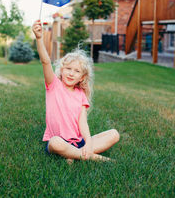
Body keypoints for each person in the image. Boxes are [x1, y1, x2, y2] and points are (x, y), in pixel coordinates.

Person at [32, 19, 120, 162]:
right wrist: (39, 38)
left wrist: (89, 142)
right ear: (61, 69)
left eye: (76, 71)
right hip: (59, 141)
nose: (71, 73)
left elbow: (82, 123)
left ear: (82, 77)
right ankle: (90, 156)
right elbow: (46, 61)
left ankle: (74, 154)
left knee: (114, 134)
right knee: (55, 142)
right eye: (68, 69)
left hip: (78, 141)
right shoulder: (54, 85)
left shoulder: (81, 95)